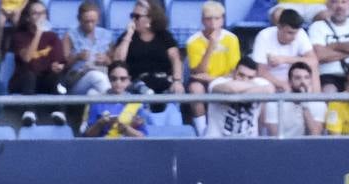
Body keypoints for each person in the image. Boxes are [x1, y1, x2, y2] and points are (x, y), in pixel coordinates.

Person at [186, 1, 242, 135]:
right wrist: (211, 46)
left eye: (217, 18)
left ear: (222, 20)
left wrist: (214, 79)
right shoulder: (193, 41)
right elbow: (198, 72)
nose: (213, 23)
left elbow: (234, 70)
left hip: (224, 79)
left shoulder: (232, 39)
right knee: (195, 88)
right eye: (209, 19)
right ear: (202, 20)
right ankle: (202, 131)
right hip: (203, 82)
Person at [9, 0, 67, 127]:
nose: (40, 16)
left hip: (44, 80)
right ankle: (29, 111)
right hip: (24, 82)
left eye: (42, 13)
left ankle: (59, 111)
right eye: (35, 13)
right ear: (28, 18)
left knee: (58, 77)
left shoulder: (52, 37)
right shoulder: (20, 36)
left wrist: (58, 66)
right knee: (29, 74)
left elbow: (60, 61)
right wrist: (39, 33)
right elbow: (27, 59)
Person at [114, 0, 184, 104]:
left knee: (175, 91)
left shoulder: (164, 36)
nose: (133, 19)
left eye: (137, 16)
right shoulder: (127, 37)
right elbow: (118, 61)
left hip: (163, 79)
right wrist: (128, 35)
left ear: (150, 19)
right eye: (132, 15)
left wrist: (177, 81)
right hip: (137, 83)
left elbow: (175, 59)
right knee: (143, 92)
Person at [206, 55, 277, 136]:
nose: (245, 80)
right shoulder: (218, 82)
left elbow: (270, 90)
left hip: (249, 143)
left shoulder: (261, 82)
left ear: (255, 77)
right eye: (241, 75)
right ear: (233, 72)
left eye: (250, 77)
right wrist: (252, 88)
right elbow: (231, 89)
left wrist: (240, 91)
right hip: (217, 142)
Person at [252, 7, 320, 92]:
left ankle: (317, 101)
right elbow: (261, 72)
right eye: (290, 33)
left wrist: (284, 59)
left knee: (313, 67)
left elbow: (313, 61)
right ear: (279, 27)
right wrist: (282, 84)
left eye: (295, 33)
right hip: (270, 81)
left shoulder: (300, 33)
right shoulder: (264, 36)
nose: (294, 37)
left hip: (294, 79)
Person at [82, 61, 148, 136]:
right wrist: (100, 123)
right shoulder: (96, 101)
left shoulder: (137, 103)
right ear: (108, 79)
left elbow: (143, 137)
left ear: (129, 80)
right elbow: (86, 136)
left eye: (122, 79)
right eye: (114, 79)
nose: (118, 82)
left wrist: (125, 129)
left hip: (128, 147)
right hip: (101, 146)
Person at [62, 0, 113, 96]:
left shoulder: (106, 35)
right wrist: (77, 57)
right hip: (77, 79)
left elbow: (113, 62)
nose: (90, 25)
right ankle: (114, 103)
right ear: (79, 19)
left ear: (98, 20)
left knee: (93, 93)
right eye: (86, 22)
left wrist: (106, 59)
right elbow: (64, 65)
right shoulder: (69, 35)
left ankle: (103, 110)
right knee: (96, 76)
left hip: (102, 73)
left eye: (93, 21)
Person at [264, 60, 327, 135]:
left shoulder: (319, 103)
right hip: (283, 145)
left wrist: (305, 106)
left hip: (307, 145)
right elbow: (274, 136)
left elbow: (315, 134)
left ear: (311, 81)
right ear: (290, 82)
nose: (303, 82)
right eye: (298, 78)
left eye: (306, 78)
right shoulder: (274, 103)